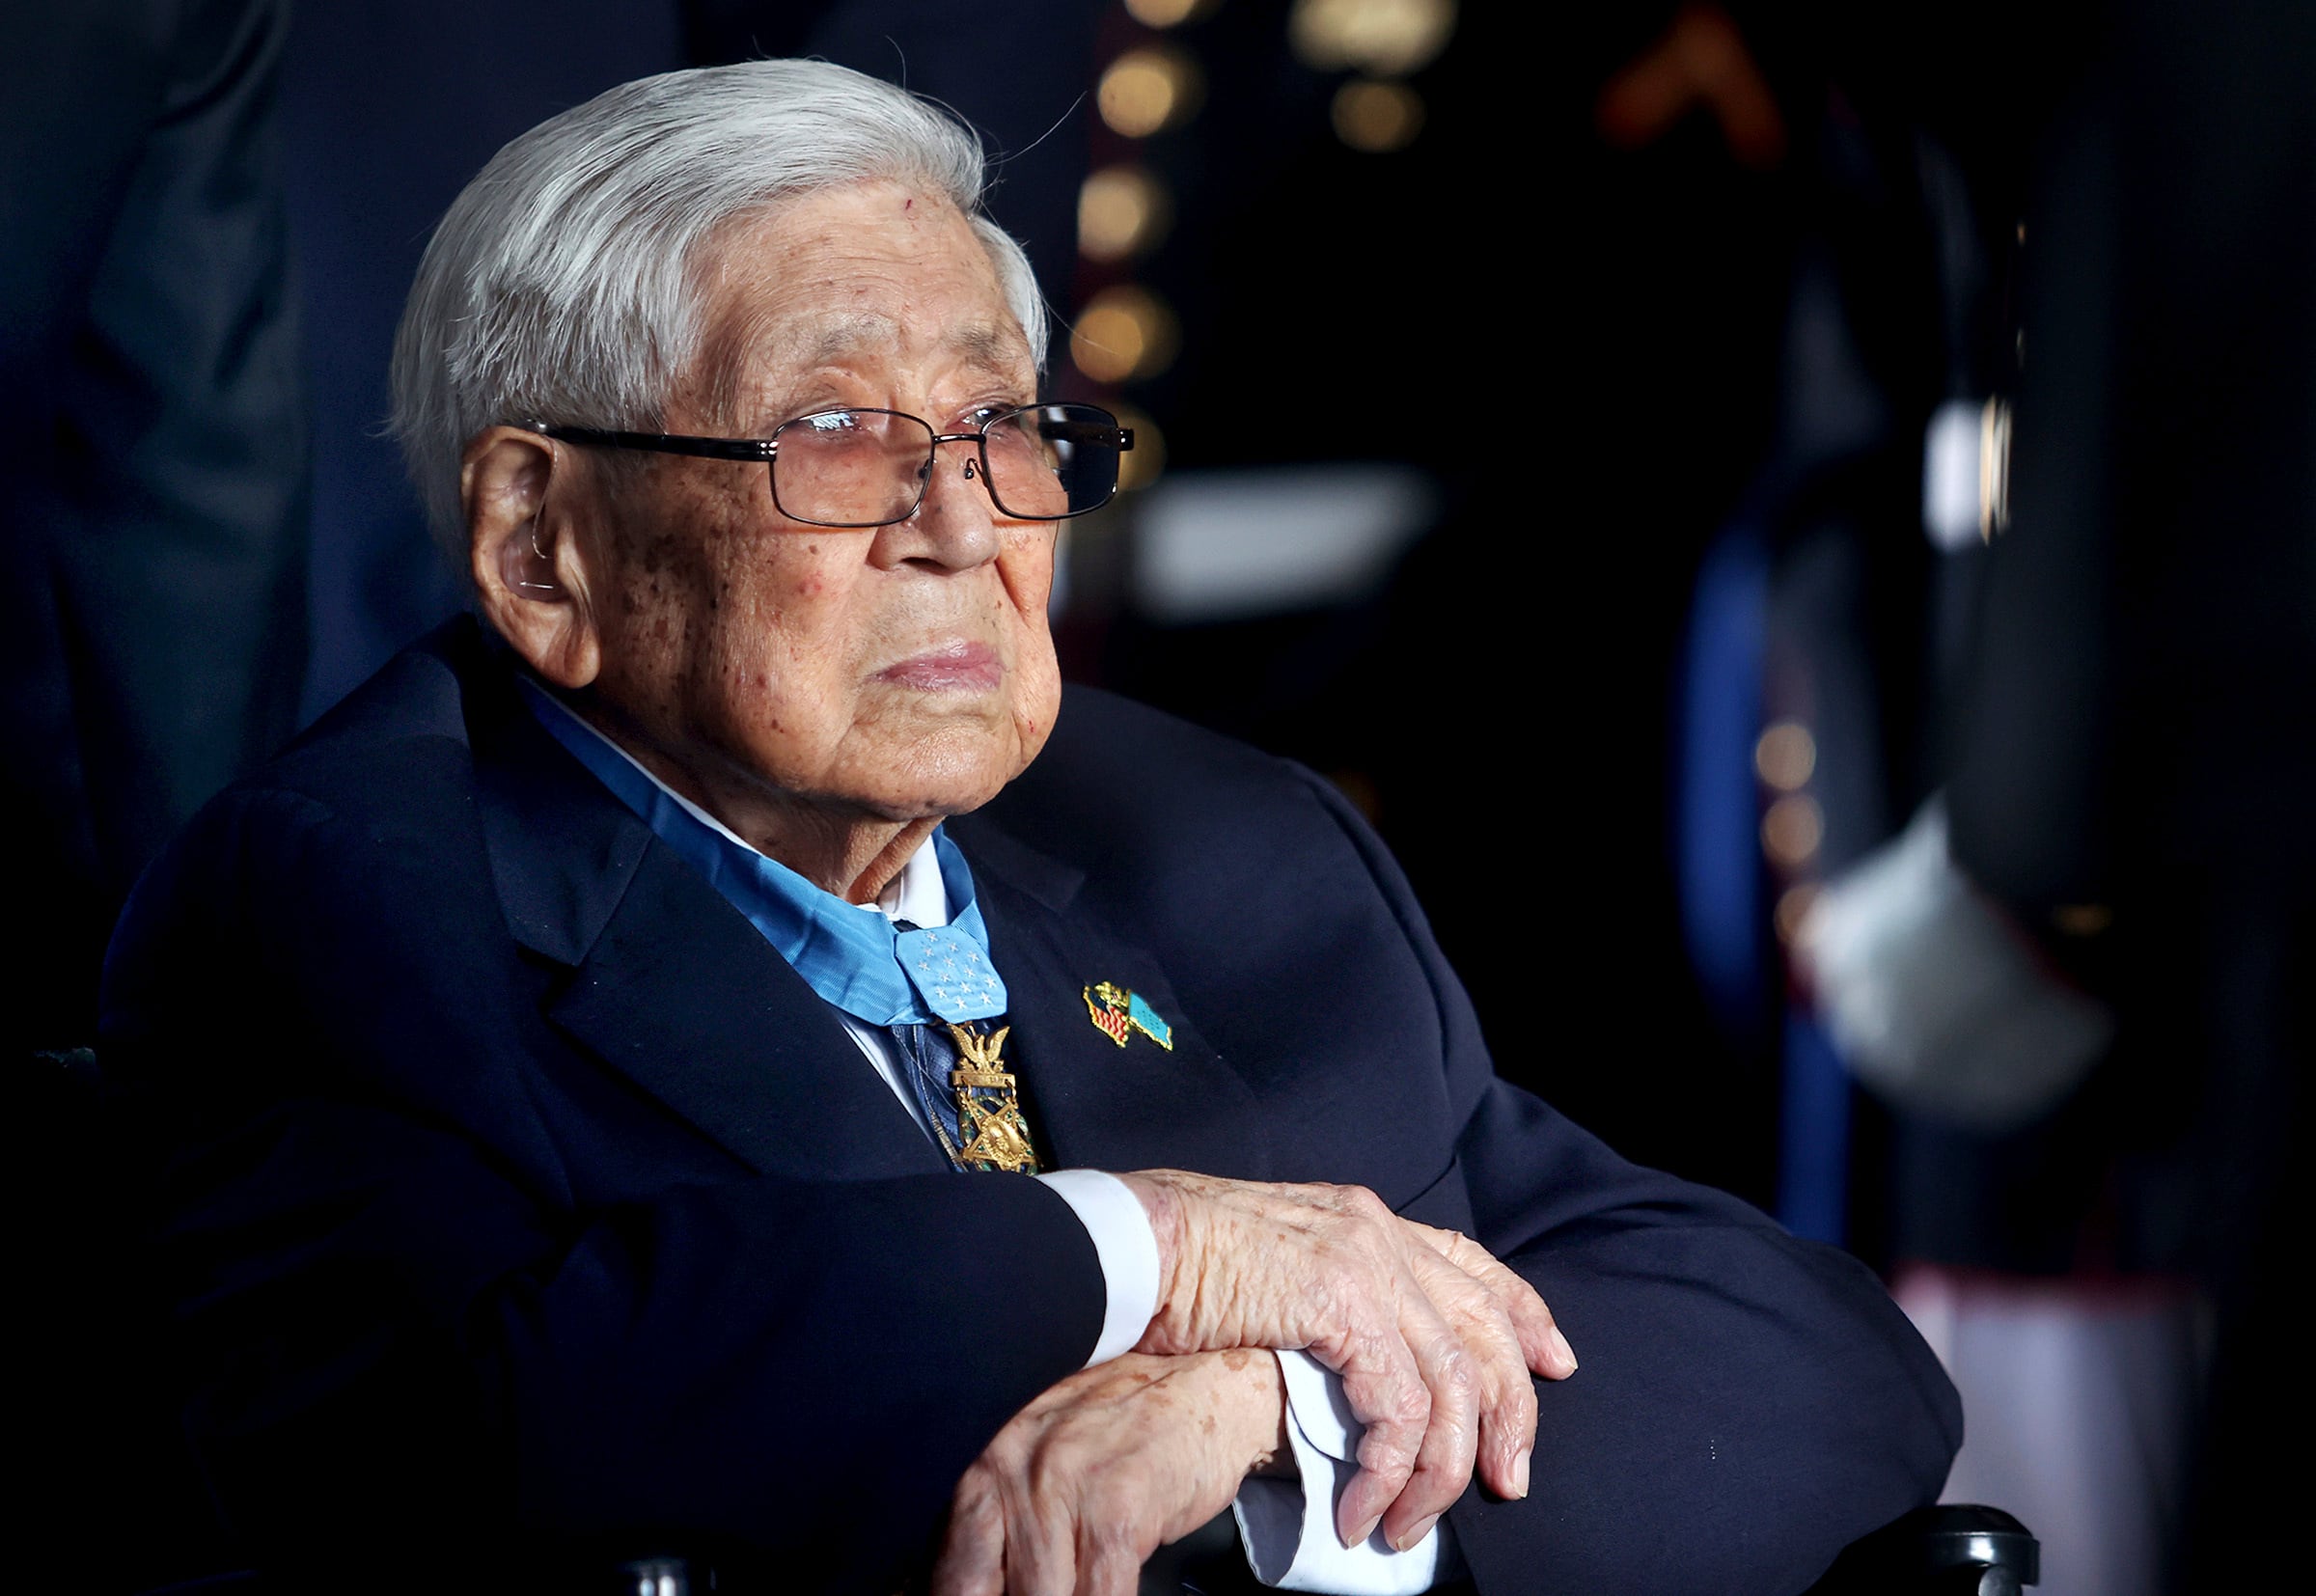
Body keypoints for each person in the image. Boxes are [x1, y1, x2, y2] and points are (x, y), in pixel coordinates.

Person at [100, 61, 1961, 1595]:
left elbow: (1821, 1365)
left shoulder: (1218, 836)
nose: (968, 524)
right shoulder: (343, 896)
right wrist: (1152, 1255)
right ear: (543, 548)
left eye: (1003, 425)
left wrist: (1278, 1418)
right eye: (833, 430)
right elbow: (459, 1436)